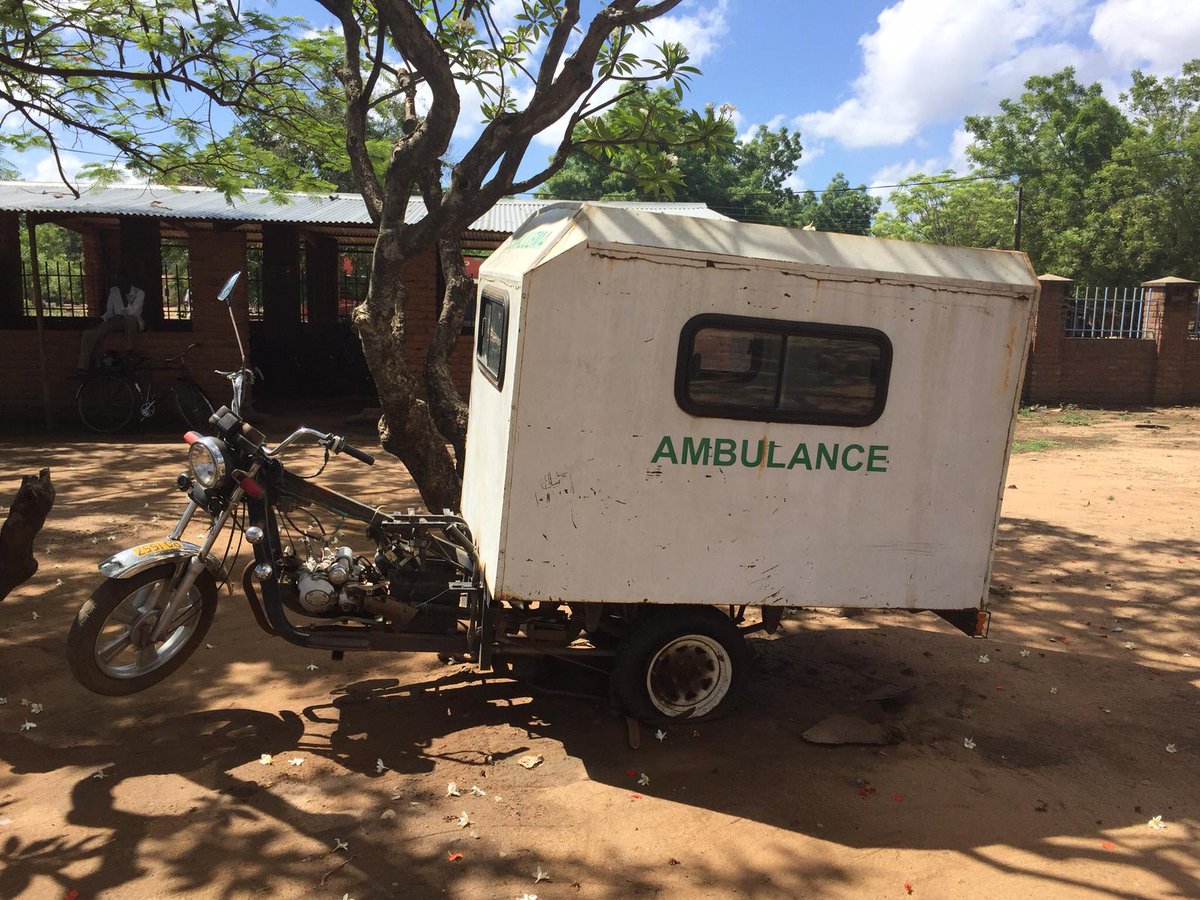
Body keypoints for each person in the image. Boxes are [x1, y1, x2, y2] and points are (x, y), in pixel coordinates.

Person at [77, 272, 145, 372]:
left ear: (129, 282)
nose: (121, 285)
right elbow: (110, 311)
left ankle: (129, 352)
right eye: (119, 283)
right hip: (116, 319)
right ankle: (83, 366)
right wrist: (101, 320)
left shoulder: (139, 293)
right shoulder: (114, 291)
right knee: (88, 334)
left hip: (132, 321)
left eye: (123, 282)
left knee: (130, 320)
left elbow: (134, 312)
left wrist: (124, 298)